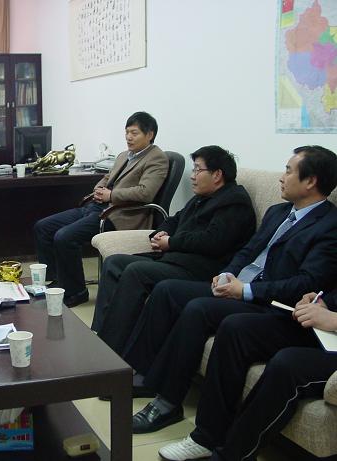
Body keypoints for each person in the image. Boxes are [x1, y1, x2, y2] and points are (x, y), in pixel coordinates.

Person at [124, 145, 337, 434]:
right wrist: (227, 273)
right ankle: (141, 374)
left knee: (198, 309)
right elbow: (248, 250)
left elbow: (306, 283)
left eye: (288, 171)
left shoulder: (329, 226)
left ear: (310, 181)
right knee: (167, 291)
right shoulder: (278, 212)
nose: (281, 177)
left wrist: (246, 290)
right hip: (238, 286)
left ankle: (167, 403)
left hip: (266, 301)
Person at [92, 146, 255, 355]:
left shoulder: (234, 202)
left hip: (200, 269)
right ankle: (101, 334)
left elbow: (212, 242)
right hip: (176, 260)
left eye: (197, 170)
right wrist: (161, 233)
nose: (192, 176)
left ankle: (110, 352)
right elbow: (174, 219)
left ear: (217, 175)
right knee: (114, 262)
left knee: (136, 272)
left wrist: (172, 242)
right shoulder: (202, 197)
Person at [158, 290, 337, 461]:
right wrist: (322, 303)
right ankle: (206, 438)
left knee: (288, 364)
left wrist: (333, 319)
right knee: (235, 328)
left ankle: (232, 456)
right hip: (326, 332)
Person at [33, 112, 168, 307]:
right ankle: (59, 281)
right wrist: (98, 189)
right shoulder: (124, 155)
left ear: (150, 135)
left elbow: (145, 192)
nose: (129, 137)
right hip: (97, 207)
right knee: (43, 227)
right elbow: (107, 178)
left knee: (64, 237)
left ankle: (76, 292)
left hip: (119, 215)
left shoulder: (157, 158)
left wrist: (111, 196)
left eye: (134, 133)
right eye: (127, 132)